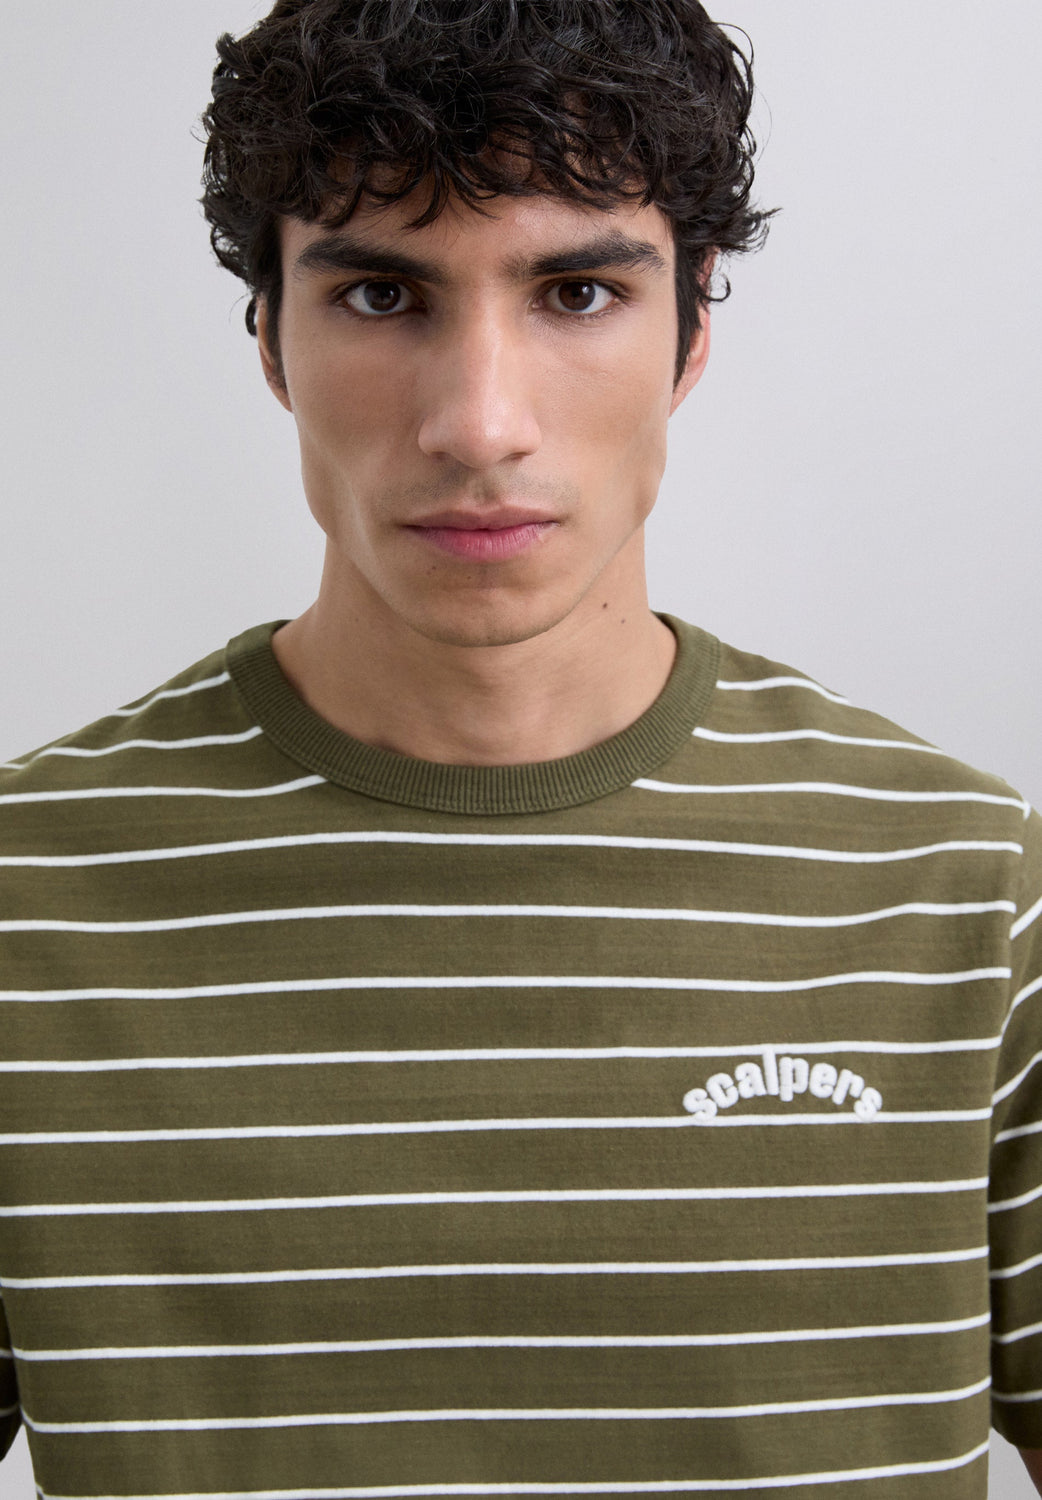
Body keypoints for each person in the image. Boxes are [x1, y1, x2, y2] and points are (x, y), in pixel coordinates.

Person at [1, 1, 1040, 1495]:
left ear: (691, 331)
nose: (479, 424)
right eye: (380, 294)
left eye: (576, 291)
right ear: (270, 340)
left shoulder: (969, 888)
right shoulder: (23, 899)